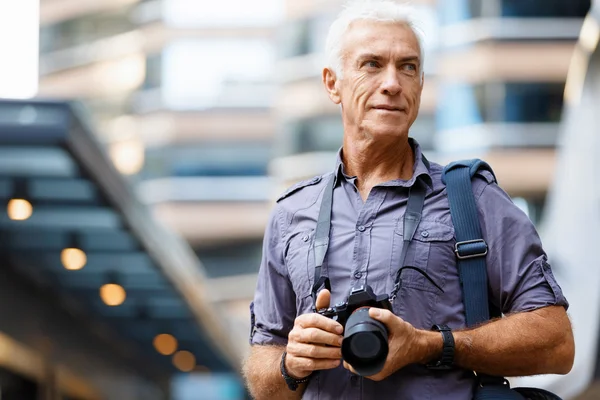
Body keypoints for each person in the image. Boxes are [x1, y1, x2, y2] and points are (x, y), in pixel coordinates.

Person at [242, 1, 575, 399]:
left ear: (420, 85)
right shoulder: (290, 214)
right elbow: (264, 379)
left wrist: (431, 345)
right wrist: (291, 363)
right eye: (371, 64)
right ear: (333, 83)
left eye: (408, 66)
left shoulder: (475, 199)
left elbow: (557, 342)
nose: (393, 83)